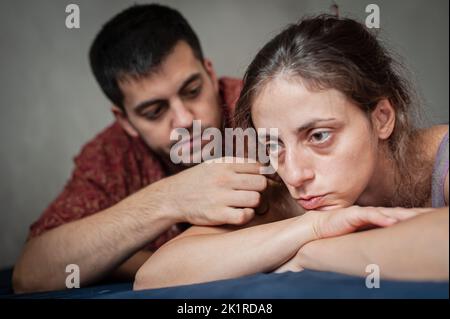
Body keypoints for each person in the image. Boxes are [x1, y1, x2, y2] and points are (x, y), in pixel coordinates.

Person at [133, 14, 448, 291]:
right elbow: (154, 275)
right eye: (273, 144)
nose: (295, 174)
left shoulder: (441, 157)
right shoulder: (284, 193)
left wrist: (310, 252)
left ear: (381, 118)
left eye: (319, 135)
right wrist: (312, 227)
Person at [12, 4, 269, 293]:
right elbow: (30, 274)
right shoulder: (110, 155)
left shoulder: (263, 106)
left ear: (210, 74)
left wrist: (129, 258)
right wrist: (170, 198)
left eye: (192, 90)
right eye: (155, 111)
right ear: (126, 120)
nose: (184, 120)